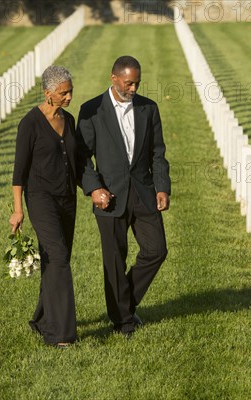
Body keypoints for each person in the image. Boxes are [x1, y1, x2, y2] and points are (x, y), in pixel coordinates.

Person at [76, 55, 171, 338]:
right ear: (114, 78)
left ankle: (122, 305)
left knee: (156, 250)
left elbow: (158, 153)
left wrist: (162, 186)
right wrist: (94, 189)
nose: (133, 89)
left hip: (143, 193)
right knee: (115, 259)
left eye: (137, 83)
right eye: (129, 83)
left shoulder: (148, 109)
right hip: (110, 196)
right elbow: (82, 158)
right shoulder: (92, 110)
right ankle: (124, 322)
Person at [9, 65, 77, 348]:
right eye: (64, 93)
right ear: (48, 93)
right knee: (58, 257)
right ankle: (61, 334)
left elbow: (76, 160)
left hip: (67, 199)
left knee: (56, 261)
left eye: (71, 91)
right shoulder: (30, 123)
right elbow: (19, 171)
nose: (69, 97)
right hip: (40, 199)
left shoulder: (69, 120)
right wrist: (17, 209)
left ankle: (41, 319)